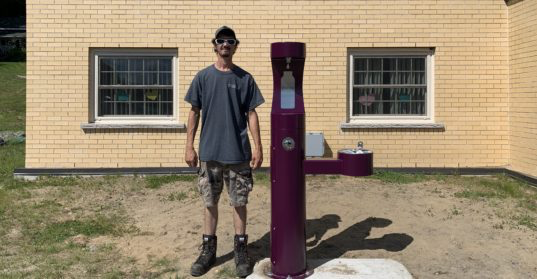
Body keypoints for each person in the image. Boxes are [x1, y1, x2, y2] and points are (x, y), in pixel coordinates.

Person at [184, 26, 264, 277]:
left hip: (238, 154)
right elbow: (194, 112)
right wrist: (189, 145)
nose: (226, 45)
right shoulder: (203, 77)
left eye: (230, 41)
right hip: (209, 153)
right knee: (210, 202)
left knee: (239, 202)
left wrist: (258, 146)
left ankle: (241, 251)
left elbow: (252, 113)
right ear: (215, 45)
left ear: (236, 46)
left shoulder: (245, 79)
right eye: (221, 41)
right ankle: (208, 251)